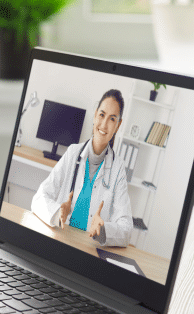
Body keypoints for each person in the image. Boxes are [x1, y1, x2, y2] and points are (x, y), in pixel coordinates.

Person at [31, 89, 132, 247]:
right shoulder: (73, 152)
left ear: (118, 126)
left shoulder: (118, 168)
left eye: (112, 119)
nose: (104, 124)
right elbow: (38, 198)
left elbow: (126, 229)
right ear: (95, 115)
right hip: (61, 241)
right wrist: (58, 212)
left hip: (89, 248)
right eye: (102, 115)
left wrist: (104, 229)